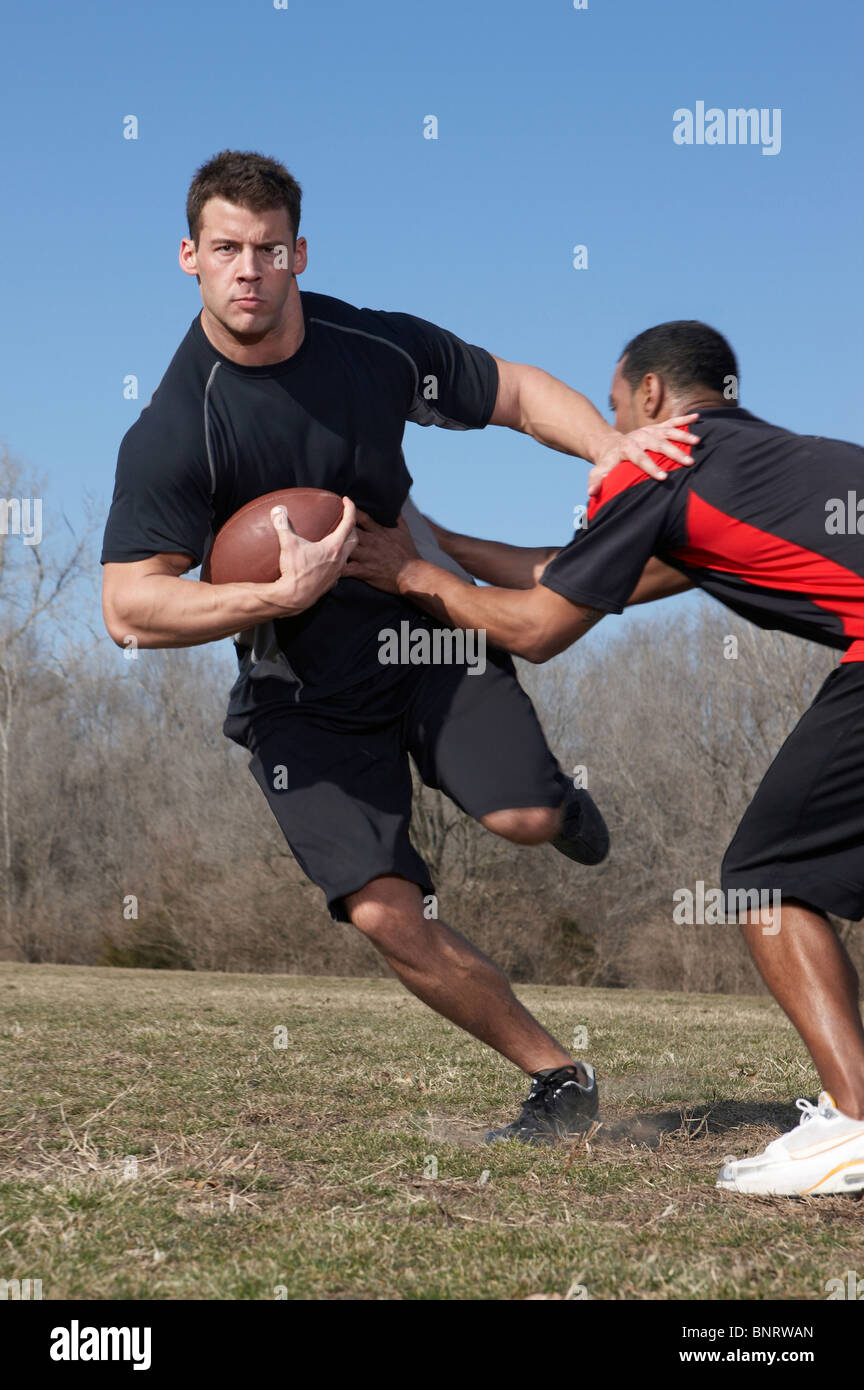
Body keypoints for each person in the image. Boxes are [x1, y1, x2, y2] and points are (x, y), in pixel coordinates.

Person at [100, 151, 697, 1145]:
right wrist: (269, 592)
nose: (248, 270)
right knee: (384, 910)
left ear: (298, 252)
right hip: (301, 696)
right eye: (226, 250)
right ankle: (557, 1077)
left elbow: (510, 391)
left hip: (424, 636)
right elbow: (129, 606)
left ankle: (557, 806)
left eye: (268, 248)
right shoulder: (175, 430)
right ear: (189, 257)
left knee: (519, 815)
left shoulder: (364, 346)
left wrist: (612, 453)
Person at [349, 320, 864, 1192]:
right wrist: (433, 541)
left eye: (616, 403)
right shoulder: (760, 468)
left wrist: (413, 577)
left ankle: (855, 1122)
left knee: (772, 878)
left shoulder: (653, 464)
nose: (610, 424)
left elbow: (542, 627)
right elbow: (574, 571)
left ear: (649, 395)